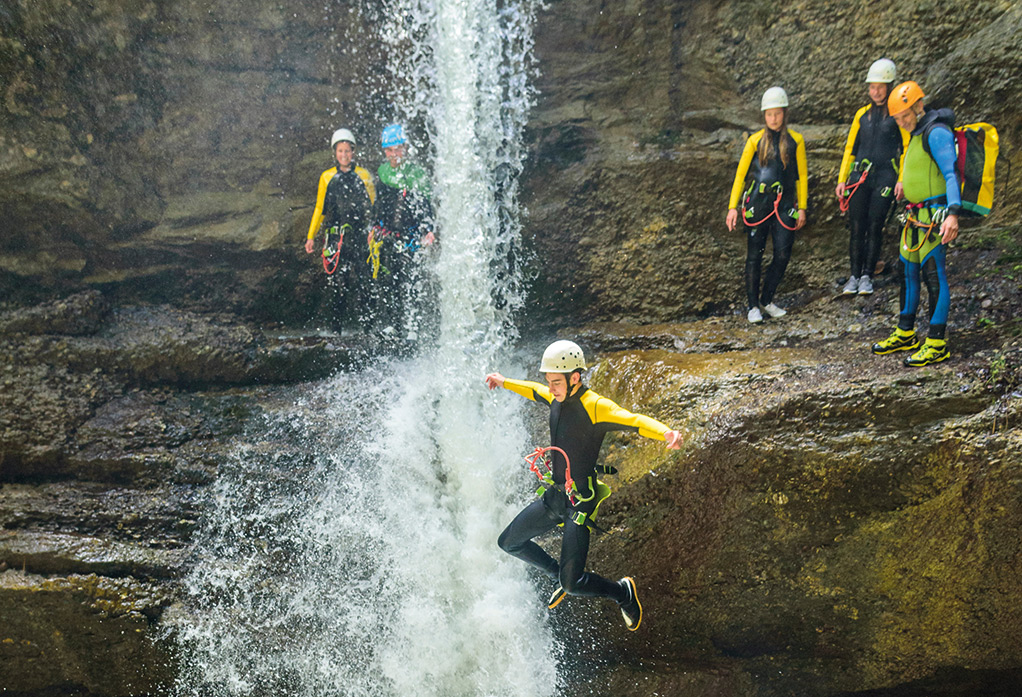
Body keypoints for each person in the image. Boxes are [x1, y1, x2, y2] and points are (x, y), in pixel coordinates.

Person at [484, 340, 683, 631]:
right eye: (549, 382)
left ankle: (622, 593)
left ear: (574, 377)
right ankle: (557, 576)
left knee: (574, 584)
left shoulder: (596, 406)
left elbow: (633, 420)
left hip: (579, 501)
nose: (551, 388)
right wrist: (503, 382)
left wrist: (666, 433)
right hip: (555, 496)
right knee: (509, 542)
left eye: (556, 382)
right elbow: (532, 390)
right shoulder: (554, 397)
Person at [871, 81, 960, 367]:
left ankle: (936, 343)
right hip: (914, 216)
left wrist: (953, 214)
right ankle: (906, 332)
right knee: (906, 272)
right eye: (898, 119)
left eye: (906, 115)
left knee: (933, 276)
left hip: (933, 217)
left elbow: (950, 175)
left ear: (919, 106)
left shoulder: (936, 132)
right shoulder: (917, 133)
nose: (903, 122)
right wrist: (902, 182)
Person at [726, 87, 808, 323]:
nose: (773, 119)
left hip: (784, 205)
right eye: (769, 114)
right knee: (754, 255)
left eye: (778, 114)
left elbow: (800, 176)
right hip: (759, 204)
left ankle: (767, 299)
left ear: (784, 113)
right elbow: (741, 176)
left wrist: (801, 206)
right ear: (764, 115)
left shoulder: (796, 141)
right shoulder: (754, 142)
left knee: (782, 254)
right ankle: (752, 306)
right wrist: (733, 207)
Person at [835, 59, 909, 296]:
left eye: (880, 87)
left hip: (886, 176)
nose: (875, 92)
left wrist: (902, 179)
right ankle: (854, 275)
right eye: (872, 87)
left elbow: (906, 147)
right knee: (857, 226)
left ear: (889, 86)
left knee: (876, 225)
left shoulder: (897, 116)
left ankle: (867, 275)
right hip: (859, 176)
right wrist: (842, 179)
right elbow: (850, 149)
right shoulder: (861, 115)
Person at [369, 123, 436, 338]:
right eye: (389, 150)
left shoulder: (415, 173)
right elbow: (380, 203)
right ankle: (394, 324)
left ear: (405, 148)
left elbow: (424, 203)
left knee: (411, 280)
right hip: (390, 234)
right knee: (390, 280)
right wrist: (375, 226)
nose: (394, 154)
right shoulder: (383, 172)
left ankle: (413, 326)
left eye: (397, 149)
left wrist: (428, 230)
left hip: (411, 235)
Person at [305, 128, 377, 325]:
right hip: (336, 239)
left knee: (365, 281)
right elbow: (320, 208)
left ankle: (368, 328)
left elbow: (373, 206)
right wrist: (311, 236)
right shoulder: (327, 177)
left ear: (353, 152)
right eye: (340, 151)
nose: (344, 155)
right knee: (338, 283)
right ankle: (336, 329)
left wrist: (373, 230)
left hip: (360, 237)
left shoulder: (364, 175)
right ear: (335, 153)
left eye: (347, 151)